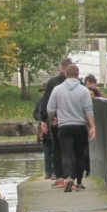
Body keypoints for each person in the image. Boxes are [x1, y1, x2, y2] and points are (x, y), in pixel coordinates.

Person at [46, 63, 96, 192]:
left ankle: (68, 176)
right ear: (78, 75)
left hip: (64, 127)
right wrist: (92, 126)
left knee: (66, 153)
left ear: (66, 74)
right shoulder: (84, 90)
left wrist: (52, 119)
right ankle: (79, 182)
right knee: (79, 154)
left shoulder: (57, 90)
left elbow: (50, 109)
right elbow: (88, 109)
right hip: (80, 126)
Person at [36, 57, 73, 185]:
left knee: (57, 148)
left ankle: (59, 177)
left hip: (57, 121)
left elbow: (46, 104)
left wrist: (45, 120)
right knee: (72, 149)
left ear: (61, 68)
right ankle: (72, 176)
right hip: (74, 121)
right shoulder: (78, 84)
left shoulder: (53, 83)